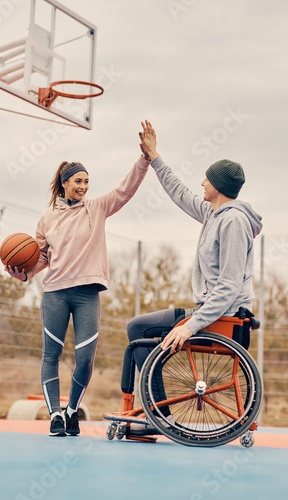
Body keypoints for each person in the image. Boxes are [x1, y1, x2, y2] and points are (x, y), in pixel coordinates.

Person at [128, 120, 263, 423]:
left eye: (207, 178)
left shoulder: (233, 223)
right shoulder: (212, 213)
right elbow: (179, 193)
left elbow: (227, 287)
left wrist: (189, 326)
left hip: (224, 320)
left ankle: (159, 415)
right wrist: (154, 156)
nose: (201, 182)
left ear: (219, 186)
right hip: (214, 315)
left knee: (138, 329)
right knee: (139, 329)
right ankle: (159, 411)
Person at [6, 153, 150, 436]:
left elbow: (125, 189)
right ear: (64, 184)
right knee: (52, 355)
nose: (83, 186)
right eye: (78, 181)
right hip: (55, 294)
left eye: (86, 181)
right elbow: (40, 257)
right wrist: (24, 274)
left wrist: (144, 160)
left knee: (85, 358)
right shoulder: (47, 218)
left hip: (87, 295)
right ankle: (55, 416)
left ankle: (72, 410)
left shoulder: (96, 208)